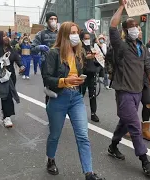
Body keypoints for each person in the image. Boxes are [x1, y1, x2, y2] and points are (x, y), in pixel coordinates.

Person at [42, 21, 104, 180]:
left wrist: (79, 79)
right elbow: (47, 78)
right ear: (64, 35)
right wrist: (65, 81)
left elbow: (85, 69)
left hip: (76, 97)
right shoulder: (53, 53)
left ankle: (89, 173)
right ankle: (50, 159)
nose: (76, 36)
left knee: (83, 136)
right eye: (72, 32)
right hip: (59, 98)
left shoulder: (79, 53)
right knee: (55, 134)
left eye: (77, 32)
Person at [107, 0, 150, 175]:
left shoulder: (143, 48)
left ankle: (113, 146)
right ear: (125, 30)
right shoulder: (120, 46)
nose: (135, 29)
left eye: (137, 26)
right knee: (135, 126)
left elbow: (148, 68)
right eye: (131, 27)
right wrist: (122, 6)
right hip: (124, 92)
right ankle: (144, 160)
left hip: (138, 92)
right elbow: (112, 26)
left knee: (125, 122)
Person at [0, 31, 25, 128]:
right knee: (6, 95)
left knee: (9, 95)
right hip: (2, 76)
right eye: (3, 36)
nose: (6, 37)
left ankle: (5, 112)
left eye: (6, 36)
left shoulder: (11, 49)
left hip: (12, 76)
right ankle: (7, 117)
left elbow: (17, 58)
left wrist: (21, 66)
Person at [126, 27, 150, 141]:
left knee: (148, 103)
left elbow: (148, 67)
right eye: (138, 30)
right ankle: (129, 126)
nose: (140, 32)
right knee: (132, 106)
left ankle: (145, 130)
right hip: (131, 81)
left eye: (141, 30)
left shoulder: (143, 47)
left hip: (144, 81)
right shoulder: (125, 47)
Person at [31, 11, 58, 105]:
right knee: (49, 89)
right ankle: (50, 111)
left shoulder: (62, 33)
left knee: (60, 88)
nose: (53, 21)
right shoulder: (41, 34)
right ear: (47, 21)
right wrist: (40, 47)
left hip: (60, 64)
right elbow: (32, 48)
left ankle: (59, 112)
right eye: (51, 19)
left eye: (55, 19)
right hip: (46, 65)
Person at [80, 31, 101, 122]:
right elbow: (80, 57)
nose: (87, 40)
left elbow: (98, 59)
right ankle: (79, 112)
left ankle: (93, 113)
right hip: (83, 74)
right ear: (82, 39)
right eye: (85, 38)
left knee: (92, 95)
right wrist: (87, 57)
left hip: (92, 74)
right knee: (81, 94)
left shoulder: (92, 47)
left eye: (89, 38)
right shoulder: (79, 48)